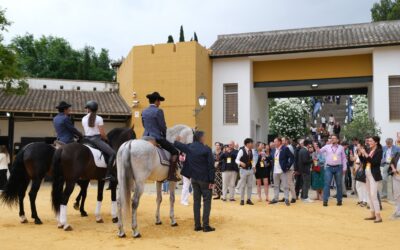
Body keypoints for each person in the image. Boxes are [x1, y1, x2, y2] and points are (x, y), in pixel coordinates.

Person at [174, 131, 215, 232]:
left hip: (194, 179)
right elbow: (211, 166)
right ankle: (206, 225)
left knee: (196, 202)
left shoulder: (189, 147)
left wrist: (177, 140)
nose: (205, 138)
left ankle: (197, 225)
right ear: (201, 138)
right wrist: (212, 181)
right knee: (206, 202)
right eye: (204, 136)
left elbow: (177, 144)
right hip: (205, 179)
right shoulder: (207, 149)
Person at [142, 92, 179, 182]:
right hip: (156, 137)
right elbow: (162, 126)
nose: (160, 103)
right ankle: (171, 174)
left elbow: (143, 124)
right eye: (159, 101)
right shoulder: (158, 111)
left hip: (144, 137)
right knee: (175, 151)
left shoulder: (144, 111)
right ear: (156, 101)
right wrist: (165, 135)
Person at [82, 100, 116, 181]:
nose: (86, 110)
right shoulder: (99, 118)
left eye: (87, 108)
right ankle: (108, 174)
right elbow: (102, 134)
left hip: (85, 139)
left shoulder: (83, 118)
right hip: (95, 139)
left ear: (88, 109)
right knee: (112, 153)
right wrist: (106, 139)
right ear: (96, 109)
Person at [359, 136, 383, 223]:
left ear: (376, 142)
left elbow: (374, 162)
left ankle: (378, 216)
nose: (369, 142)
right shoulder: (369, 150)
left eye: (371, 141)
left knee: (373, 195)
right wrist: (361, 154)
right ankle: (373, 214)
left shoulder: (379, 151)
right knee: (369, 194)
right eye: (369, 141)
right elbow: (365, 161)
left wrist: (365, 153)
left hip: (374, 174)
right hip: (367, 173)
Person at [318, 134, 347, 207]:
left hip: (338, 168)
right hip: (328, 167)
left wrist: (344, 168)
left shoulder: (341, 148)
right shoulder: (327, 146)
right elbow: (320, 151)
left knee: (339, 184)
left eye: (334, 138)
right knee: (327, 184)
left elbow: (344, 158)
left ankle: (339, 200)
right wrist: (316, 148)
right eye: (331, 138)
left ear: (337, 140)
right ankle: (325, 200)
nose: (332, 139)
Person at [269, 137, 294, 206]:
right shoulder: (274, 150)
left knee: (285, 186)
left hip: (283, 170)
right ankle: (276, 198)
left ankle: (286, 199)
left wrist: (288, 166)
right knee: (276, 185)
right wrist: (265, 157)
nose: (274, 143)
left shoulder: (285, 148)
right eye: (274, 142)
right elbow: (271, 157)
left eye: (275, 142)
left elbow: (292, 157)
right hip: (275, 170)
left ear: (279, 142)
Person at [235, 138, 256, 206]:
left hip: (250, 170)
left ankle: (248, 199)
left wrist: (253, 166)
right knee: (243, 186)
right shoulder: (241, 150)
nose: (252, 144)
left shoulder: (252, 151)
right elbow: (236, 160)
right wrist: (241, 163)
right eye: (251, 143)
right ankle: (242, 199)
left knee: (250, 185)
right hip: (243, 170)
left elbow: (252, 160)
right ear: (247, 144)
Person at [282, 137, 297, 203]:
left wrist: (288, 166)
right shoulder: (286, 147)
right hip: (286, 168)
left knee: (290, 182)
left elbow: (291, 158)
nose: (282, 141)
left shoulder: (289, 147)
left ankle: (294, 197)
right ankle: (286, 196)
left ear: (286, 141)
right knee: (286, 183)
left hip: (289, 168)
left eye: (283, 140)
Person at [389, 152, 400, 219]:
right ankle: (397, 211)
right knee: (397, 195)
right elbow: (392, 162)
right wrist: (393, 168)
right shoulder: (397, 154)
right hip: (396, 177)